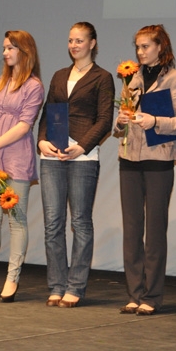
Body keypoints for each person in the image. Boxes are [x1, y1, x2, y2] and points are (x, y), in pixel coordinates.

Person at [37, 22, 115, 308]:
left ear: (92, 43)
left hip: (82, 156)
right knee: (53, 223)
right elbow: (47, 113)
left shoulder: (102, 77)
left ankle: (75, 286)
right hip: (52, 155)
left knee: (80, 222)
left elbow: (104, 120)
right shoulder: (59, 75)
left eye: (79, 40)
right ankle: (57, 285)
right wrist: (41, 141)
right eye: (71, 40)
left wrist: (82, 146)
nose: (74, 45)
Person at [113, 25, 176, 315]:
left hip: (158, 159)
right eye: (138, 47)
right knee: (132, 229)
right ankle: (134, 293)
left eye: (145, 46)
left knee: (155, 230)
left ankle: (152, 296)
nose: (140, 52)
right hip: (129, 158)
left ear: (161, 46)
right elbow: (121, 124)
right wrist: (120, 122)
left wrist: (155, 120)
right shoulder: (131, 78)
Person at [0, 30, 44, 302]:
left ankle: (12, 278)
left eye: (10, 48)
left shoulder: (34, 86)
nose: (5, 53)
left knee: (17, 220)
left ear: (24, 52)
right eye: (4, 48)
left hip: (17, 158)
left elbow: (25, 126)